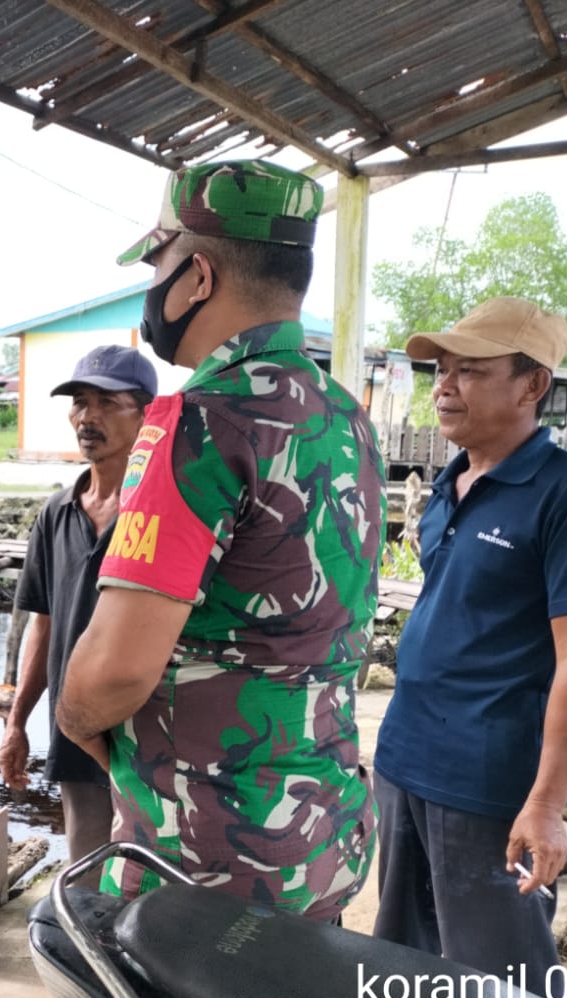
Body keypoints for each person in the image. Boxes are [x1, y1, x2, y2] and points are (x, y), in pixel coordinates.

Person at [56, 160, 384, 919]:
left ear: (197, 275)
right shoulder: (345, 418)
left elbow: (114, 672)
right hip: (322, 840)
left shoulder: (199, 423)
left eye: (158, 265)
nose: (152, 290)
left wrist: (76, 724)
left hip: (203, 865)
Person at [370, 298, 567, 982]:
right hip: (404, 761)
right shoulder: (451, 484)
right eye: (442, 371)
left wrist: (545, 805)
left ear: (532, 384)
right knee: (405, 961)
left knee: (502, 983)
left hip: (487, 784)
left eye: (472, 371)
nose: (445, 386)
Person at [0, 344, 155, 998]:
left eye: (105, 403)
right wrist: (16, 720)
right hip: (75, 728)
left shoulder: (163, 512)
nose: (85, 417)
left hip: (152, 734)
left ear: (145, 414)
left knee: (151, 878)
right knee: (85, 873)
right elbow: (42, 624)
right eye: (78, 403)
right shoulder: (58, 513)